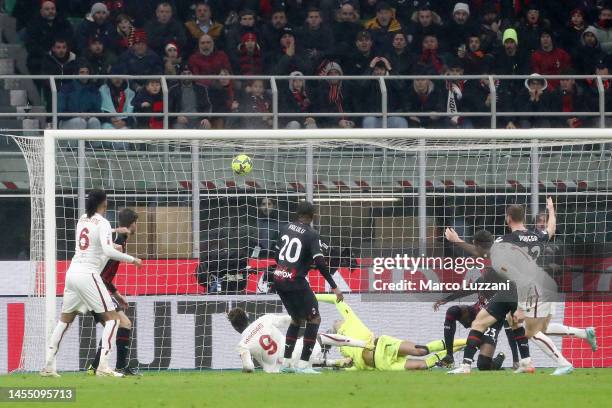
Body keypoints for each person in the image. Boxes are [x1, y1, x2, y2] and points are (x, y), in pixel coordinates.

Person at [41, 189, 142, 378]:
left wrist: (114, 236)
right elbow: (108, 251)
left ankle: (48, 365)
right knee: (114, 320)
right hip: (88, 274)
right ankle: (103, 366)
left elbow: (97, 242)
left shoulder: (82, 219)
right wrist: (132, 259)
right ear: (104, 203)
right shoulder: (103, 222)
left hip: (72, 273)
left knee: (64, 321)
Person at [272, 201, 343, 374]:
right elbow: (319, 262)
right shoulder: (312, 234)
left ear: (297, 214)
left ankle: (286, 364)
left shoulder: (285, 227)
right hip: (296, 281)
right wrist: (334, 286)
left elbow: (276, 255)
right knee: (314, 319)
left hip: (279, 279)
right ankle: (304, 365)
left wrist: (296, 265)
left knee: (296, 319)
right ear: (312, 216)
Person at [435, 229, 520, 370]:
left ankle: (500, 358)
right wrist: (445, 300)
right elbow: (468, 289)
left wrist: (516, 360)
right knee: (452, 311)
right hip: (477, 311)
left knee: (483, 365)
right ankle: (449, 357)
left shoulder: (506, 283)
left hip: (493, 320)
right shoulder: (486, 276)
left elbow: (510, 327)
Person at [317, 294, 465, 371]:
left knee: (421, 351)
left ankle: (464, 342)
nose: (337, 323)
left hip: (383, 345)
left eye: (335, 325)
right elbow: (350, 366)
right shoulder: (344, 351)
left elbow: (336, 300)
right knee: (422, 365)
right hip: (383, 365)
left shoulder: (351, 321)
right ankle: (458, 348)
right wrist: (334, 364)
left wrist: (312, 296)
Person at [227, 307, 366, 373]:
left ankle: (333, 363)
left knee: (295, 363)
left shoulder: (242, 344)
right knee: (318, 339)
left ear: (235, 328)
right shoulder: (263, 319)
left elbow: (249, 367)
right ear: (247, 317)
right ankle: (364, 345)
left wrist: (247, 370)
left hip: (278, 370)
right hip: (292, 353)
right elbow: (289, 320)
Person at [88, 208, 140, 376]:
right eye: (136, 223)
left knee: (116, 326)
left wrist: (117, 295)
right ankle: (114, 367)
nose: (136, 226)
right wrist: (116, 232)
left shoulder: (121, 239)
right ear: (132, 224)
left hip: (98, 286)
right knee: (120, 324)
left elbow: (106, 276)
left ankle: (96, 367)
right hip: (95, 287)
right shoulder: (119, 238)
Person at [25, 0, 74, 74]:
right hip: (40, 59)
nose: (51, 11)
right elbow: (31, 46)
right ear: (41, 11)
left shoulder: (64, 23)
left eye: (53, 9)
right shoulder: (33, 25)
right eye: (47, 9)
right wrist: (48, 54)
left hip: (63, 57)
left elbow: (70, 40)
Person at [58, 62, 102, 131]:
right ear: (76, 74)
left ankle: (95, 142)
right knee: (80, 121)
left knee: (94, 121)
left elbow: (98, 110)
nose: (85, 75)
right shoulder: (66, 89)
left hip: (87, 118)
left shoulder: (94, 90)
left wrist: (89, 115)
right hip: (67, 121)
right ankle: (80, 142)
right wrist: (78, 115)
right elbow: (60, 112)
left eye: (87, 72)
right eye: (82, 72)